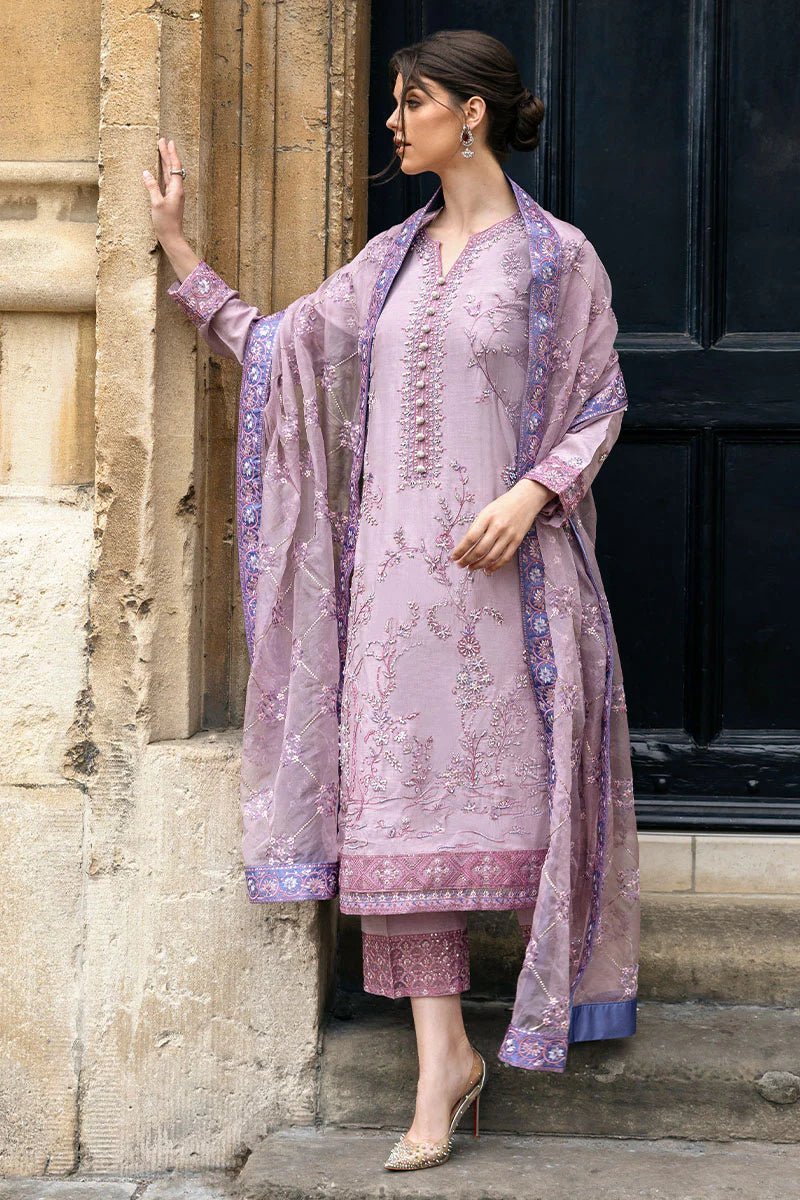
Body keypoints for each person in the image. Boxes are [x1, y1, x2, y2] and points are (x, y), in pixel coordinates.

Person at [143, 28, 640, 1174]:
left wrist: (534, 492)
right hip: (390, 595)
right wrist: (179, 251)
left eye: (409, 105)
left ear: (469, 114)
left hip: (510, 583)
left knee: (524, 803)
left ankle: (519, 1022)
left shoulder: (558, 259)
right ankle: (439, 1065)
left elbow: (600, 399)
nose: (391, 123)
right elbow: (276, 354)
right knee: (396, 829)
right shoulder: (390, 261)